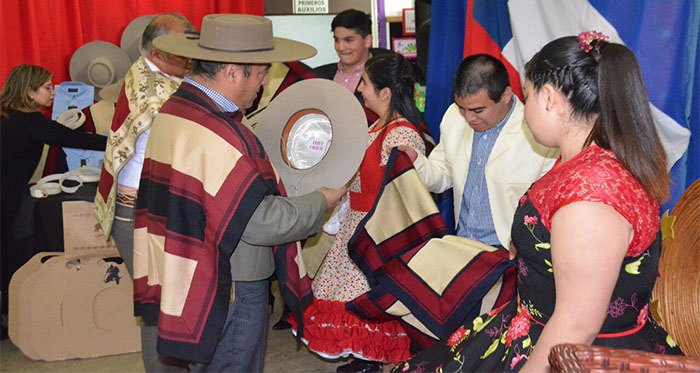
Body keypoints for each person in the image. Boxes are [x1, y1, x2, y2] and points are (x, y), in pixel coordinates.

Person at [394, 32, 683, 373]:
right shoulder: (583, 164)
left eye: (526, 96)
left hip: (573, 352)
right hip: (536, 328)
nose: (523, 105)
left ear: (548, 98)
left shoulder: (591, 193)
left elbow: (577, 325)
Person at [131, 14, 346, 372]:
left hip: (192, 273)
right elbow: (260, 221)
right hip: (231, 283)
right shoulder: (217, 130)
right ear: (233, 71)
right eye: (261, 74)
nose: (262, 84)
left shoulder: (177, 110)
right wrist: (320, 201)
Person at [290, 53, 428, 373]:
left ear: (385, 93)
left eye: (365, 83)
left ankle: (374, 361)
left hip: (378, 235)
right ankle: (365, 359)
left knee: (370, 303)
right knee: (352, 302)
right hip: (358, 227)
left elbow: (401, 196)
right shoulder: (379, 126)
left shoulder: (400, 134)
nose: (360, 90)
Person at [91, 13, 194, 372]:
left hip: (141, 211)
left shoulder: (154, 75)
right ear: (158, 50)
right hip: (140, 216)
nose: (190, 51)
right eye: (183, 43)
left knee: (161, 304)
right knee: (162, 306)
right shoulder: (157, 95)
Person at [401, 54, 557, 250]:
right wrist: (416, 161)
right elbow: (442, 176)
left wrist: (524, 243)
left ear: (505, 96)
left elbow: (548, 205)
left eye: (478, 110)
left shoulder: (538, 130)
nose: (468, 118)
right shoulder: (452, 117)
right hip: (463, 245)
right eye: (462, 108)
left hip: (511, 250)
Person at [0, 64, 107, 306]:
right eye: (48, 88)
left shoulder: (6, 114)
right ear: (30, 92)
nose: (53, 93)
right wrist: (117, 143)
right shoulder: (30, 121)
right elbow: (71, 138)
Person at [314, 8, 390, 124]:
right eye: (337, 40)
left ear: (367, 40)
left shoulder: (386, 77)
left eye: (348, 40)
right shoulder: (319, 75)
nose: (341, 47)